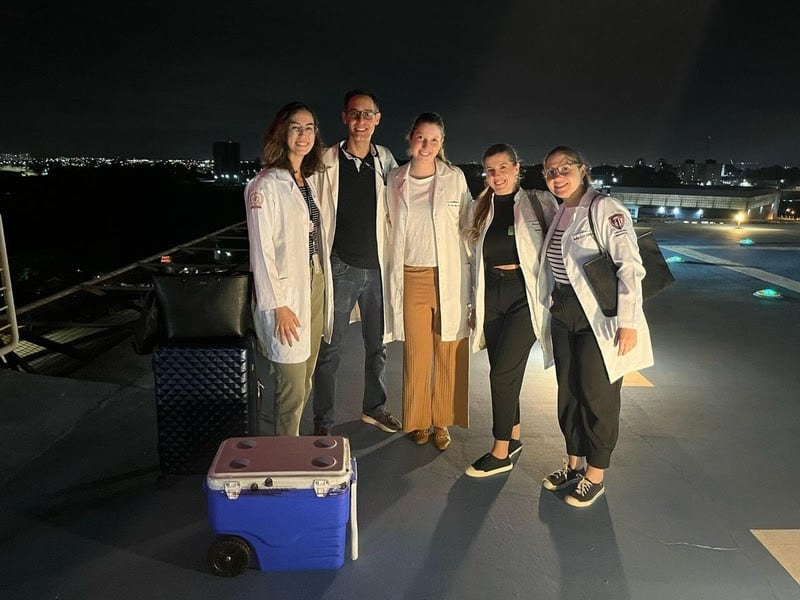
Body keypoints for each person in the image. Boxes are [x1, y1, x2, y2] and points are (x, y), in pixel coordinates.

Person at [537, 145, 653, 506]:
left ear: (582, 169)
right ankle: (573, 464)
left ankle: (595, 474)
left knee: (598, 395)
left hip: (599, 316)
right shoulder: (560, 211)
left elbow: (630, 266)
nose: (557, 177)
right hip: (563, 311)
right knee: (569, 392)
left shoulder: (604, 208)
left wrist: (628, 322)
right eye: (550, 172)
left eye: (564, 169)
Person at [463, 144, 558, 477]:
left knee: (501, 374)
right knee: (504, 370)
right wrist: (472, 304)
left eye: (503, 167)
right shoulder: (478, 207)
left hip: (524, 295)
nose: (497, 175)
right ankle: (514, 435)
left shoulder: (538, 202)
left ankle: (500, 451)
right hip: (490, 294)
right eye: (490, 170)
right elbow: (470, 259)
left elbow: (560, 244)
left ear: (517, 168)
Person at [311, 89, 402, 436]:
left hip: (378, 268)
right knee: (330, 348)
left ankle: (374, 408)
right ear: (344, 117)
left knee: (377, 345)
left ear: (377, 118)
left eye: (367, 114)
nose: (361, 121)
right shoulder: (326, 160)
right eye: (354, 113)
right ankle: (323, 423)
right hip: (341, 266)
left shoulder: (386, 160)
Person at [385, 112, 472, 451]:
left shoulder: (455, 178)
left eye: (434, 139)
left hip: (448, 275)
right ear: (411, 138)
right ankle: (418, 420)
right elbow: (385, 225)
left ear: (442, 143)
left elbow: (469, 222)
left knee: (448, 350)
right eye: (421, 137)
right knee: (417, 354)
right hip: (410, 275)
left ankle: (442, 422)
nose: (427, 145)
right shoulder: (395, 179)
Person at [245, 101, 333, 436]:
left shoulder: (305, 181)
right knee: (291, 385)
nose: (303, 135)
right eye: (296, 128)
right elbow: (261, 253)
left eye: (310, 128)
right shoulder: (265, 185)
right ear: (282, 133)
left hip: (314, 283)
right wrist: (279, 306)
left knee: (305, 378)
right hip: (286, 296)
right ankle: (284, 453)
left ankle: (289, 446)